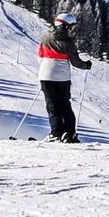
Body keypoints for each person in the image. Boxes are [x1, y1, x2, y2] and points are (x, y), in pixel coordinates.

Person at [37, 11, 90, 143]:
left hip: (45, 75)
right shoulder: (68, 42)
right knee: (65, 105)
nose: (71, 29)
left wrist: (47, 68)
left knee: (52, 105)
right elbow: (75, 62)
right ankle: (69, 133)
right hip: (62, 77)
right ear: (65, 26)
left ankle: (56, 133)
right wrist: (86, 65)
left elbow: (39, 56)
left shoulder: (45, 38)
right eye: (70, 26)